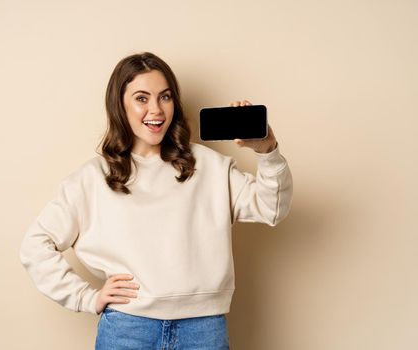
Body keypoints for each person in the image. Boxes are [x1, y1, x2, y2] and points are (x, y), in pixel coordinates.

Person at [19, 51, 293, 349]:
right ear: (119, 105)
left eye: (165, 97)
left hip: (204, 330)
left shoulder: (210, 166)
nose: (156, 109)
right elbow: (35, 246)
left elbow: (272, 207)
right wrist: (86, 297)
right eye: (141, 98)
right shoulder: (92, 178)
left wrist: (267, 151)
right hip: (127, 329)